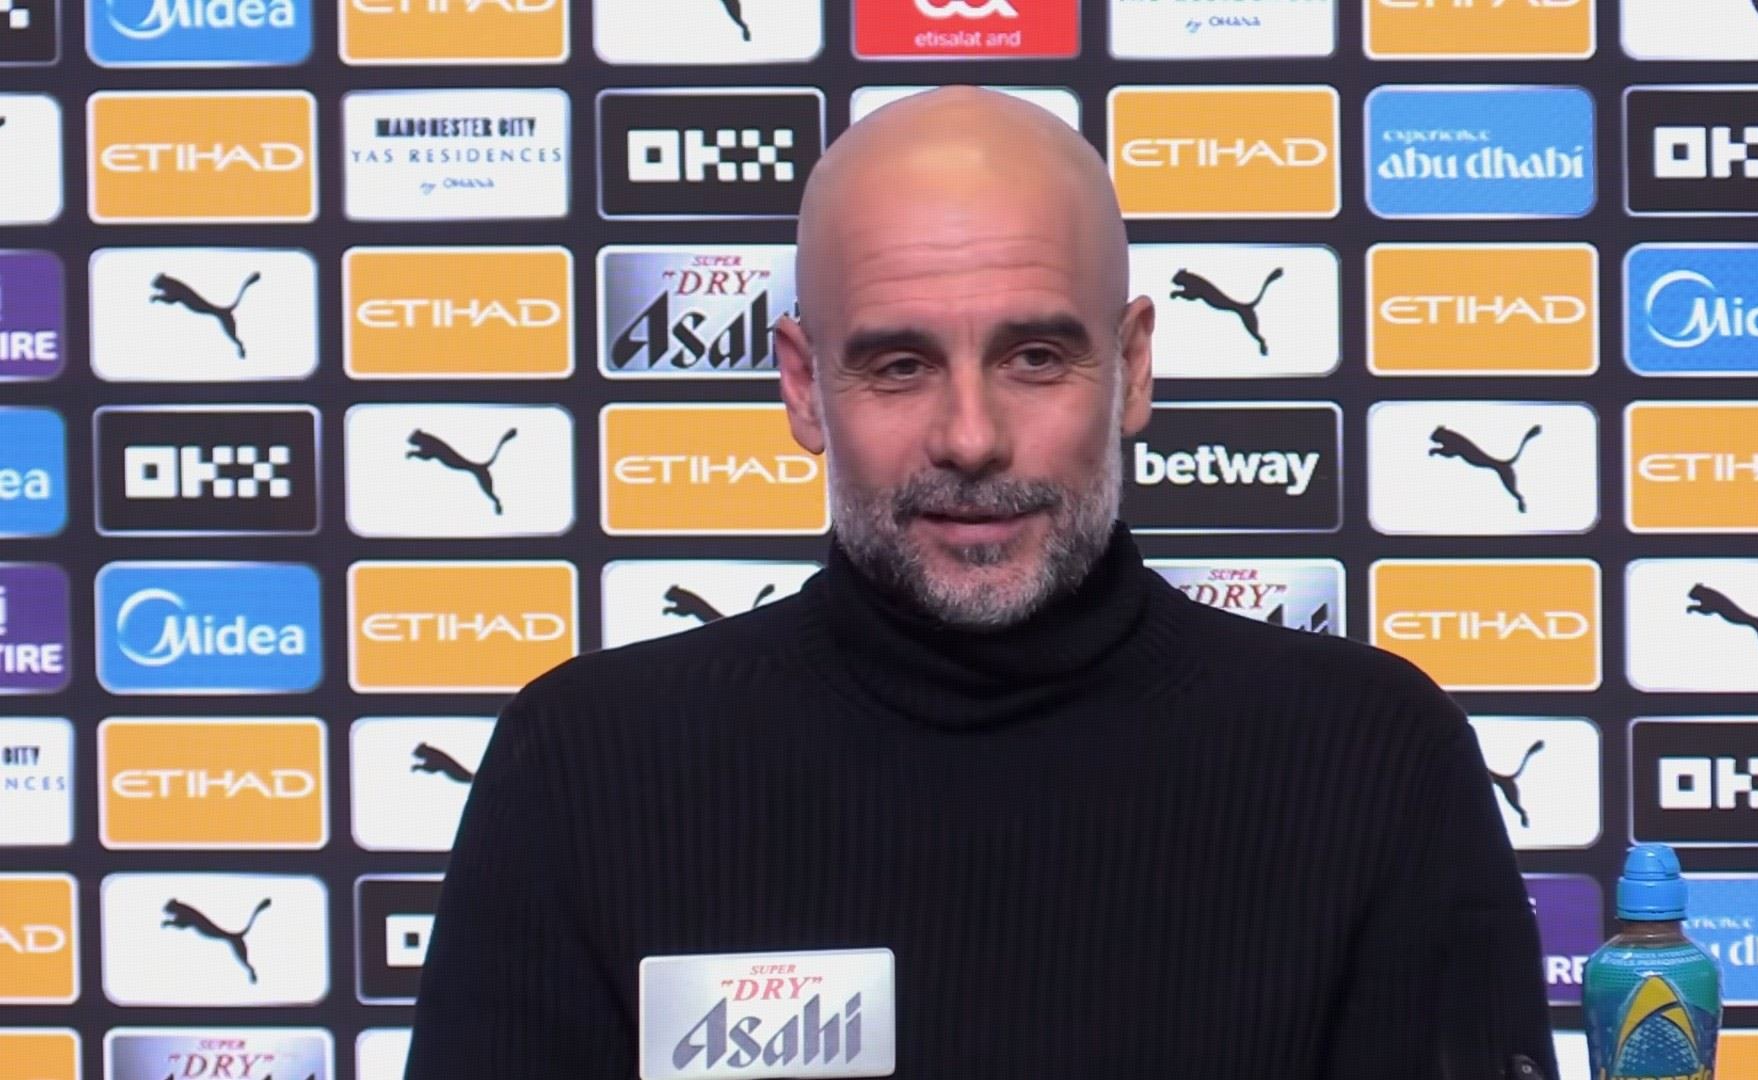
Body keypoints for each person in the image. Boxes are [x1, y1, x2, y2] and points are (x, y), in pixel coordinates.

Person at [404, 85, 1557, 1080]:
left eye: (1034, 358)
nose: (971, 437)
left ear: (1133, 368)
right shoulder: (587, 766)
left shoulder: (1371, 759)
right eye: (900, 364)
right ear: (803, 386)